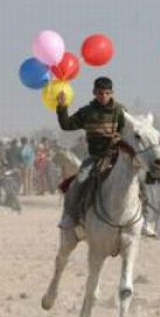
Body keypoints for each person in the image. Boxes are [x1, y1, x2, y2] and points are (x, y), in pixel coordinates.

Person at [55, 76, 126, 229]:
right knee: (80, 180)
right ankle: (71, 216)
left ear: (111, 93)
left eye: (107, 93)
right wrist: (62, 107)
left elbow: (128, 131)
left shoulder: (120, 111)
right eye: (100, 93)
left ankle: (145, 218)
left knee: (139, 178)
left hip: (117, 157)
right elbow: (66, 125)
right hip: (95, 157)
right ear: (94, 93)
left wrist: (119, 137)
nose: (103, 97)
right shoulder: (87, 112)